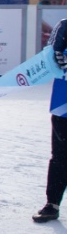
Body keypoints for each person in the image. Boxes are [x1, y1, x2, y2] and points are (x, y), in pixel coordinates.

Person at [35, 19, 67, 222]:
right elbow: (48, 56)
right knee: (61, 157)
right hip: (64, 105)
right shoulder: (65, 26)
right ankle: (52, 204)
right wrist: (55, 57)